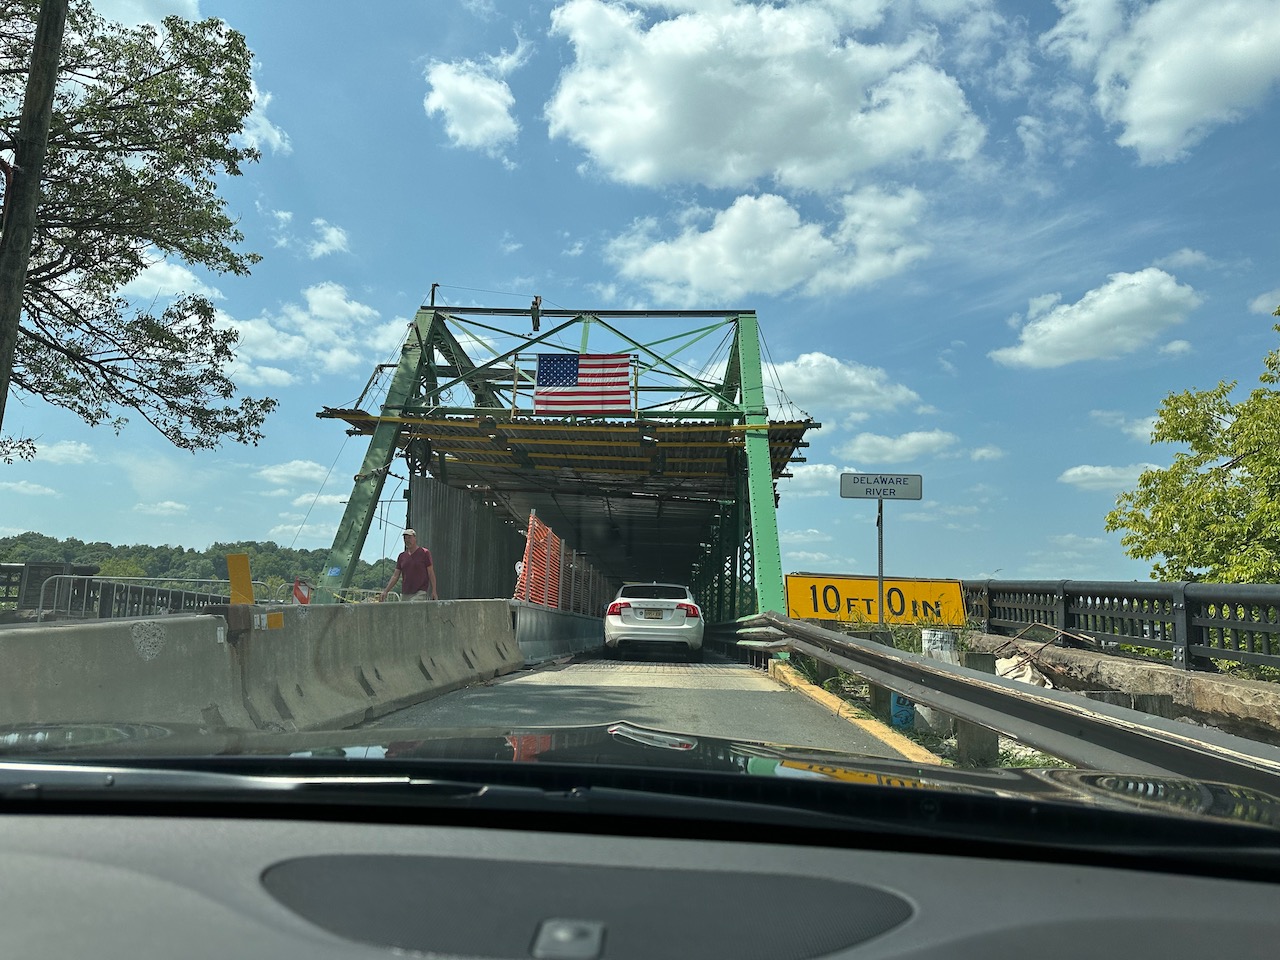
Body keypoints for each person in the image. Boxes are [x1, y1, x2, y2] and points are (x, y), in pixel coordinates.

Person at [379, 528, 438, 601]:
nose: (407, 540)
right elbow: (395, 576)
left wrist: (434, 590)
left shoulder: (424, 553)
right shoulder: (402, 556)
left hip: (419, 592)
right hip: (405, 593)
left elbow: (431, 573)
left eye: (409, 538)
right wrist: (386, 591)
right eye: (405, 538)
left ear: (415, 538)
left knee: (414, 610)